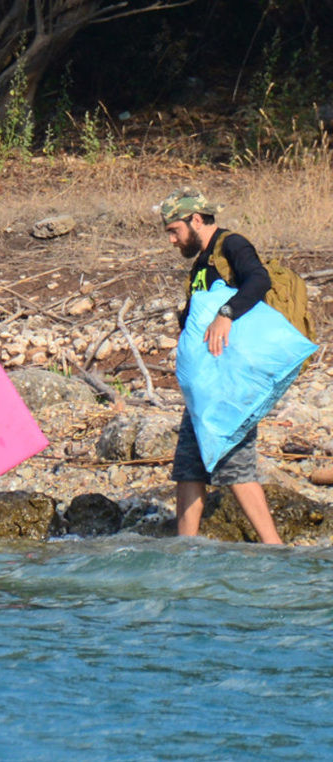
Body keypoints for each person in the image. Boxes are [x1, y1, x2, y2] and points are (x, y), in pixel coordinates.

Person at [158, 187, 282, 544]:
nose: (171, 240)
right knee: (189, 465)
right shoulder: (202, 262)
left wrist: (226, 315)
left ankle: (274, 548)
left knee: (236, 462)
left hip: (234, 378)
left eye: (174, 230)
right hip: (208, 379)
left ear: (196, 220)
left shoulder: (232, 245)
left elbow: (259, 280)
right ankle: (187, 550)